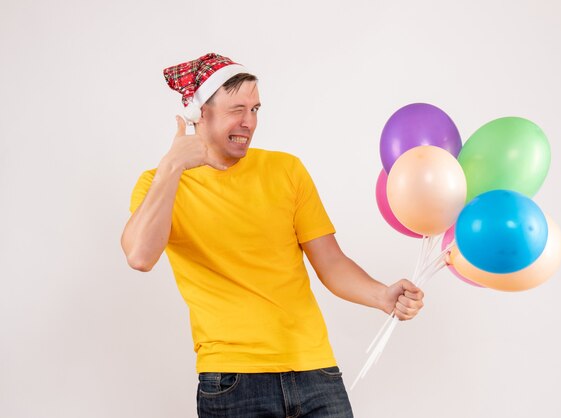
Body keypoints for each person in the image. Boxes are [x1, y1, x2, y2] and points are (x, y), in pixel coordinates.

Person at [121, 52, 424, 418]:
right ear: (198, 112)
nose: (248, 122)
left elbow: (330, 261)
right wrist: (172, 165)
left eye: (255, 109)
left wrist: (382, 296)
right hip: (233, 381)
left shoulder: (286, 170)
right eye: (237, 109)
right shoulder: (160, 184)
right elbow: (139, 256)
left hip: (317, 372)